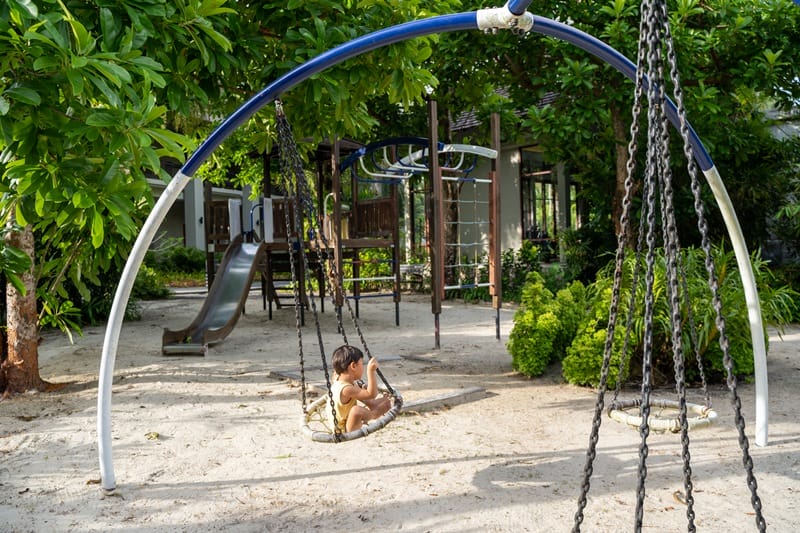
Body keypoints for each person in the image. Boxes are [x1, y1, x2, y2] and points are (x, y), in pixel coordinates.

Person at [329, 345, 392, 432]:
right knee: (356, 411)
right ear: (353, 366)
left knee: (358, 389)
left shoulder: (338, 378)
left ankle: (373, 404)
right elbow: (372, 394)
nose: (363, 366)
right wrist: (371, 371)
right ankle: (374, 414)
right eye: (362, 363)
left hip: (347, 419)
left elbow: (336, 373)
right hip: (344, 430)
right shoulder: (346, 389)